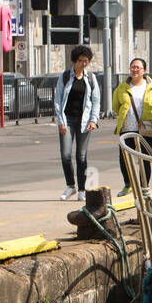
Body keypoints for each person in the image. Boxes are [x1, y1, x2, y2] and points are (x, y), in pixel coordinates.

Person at [54, 44, 101, 201]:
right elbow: (58, 100)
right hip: (67, 120)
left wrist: (93, 120)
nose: (83, 63)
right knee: (66, 155)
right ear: (75, 60)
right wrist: (60, 121)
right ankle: (70, 186)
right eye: (80, 60)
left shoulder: (90, 78)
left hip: (84, 121)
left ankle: (82, 189)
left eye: (86, 60)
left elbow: (96, 101)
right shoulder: (66, 76)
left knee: (81, 156)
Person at [112, 56, 152, 196]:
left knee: (144, 158)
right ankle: (128, 184)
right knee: (124, 158)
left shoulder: (151, 87)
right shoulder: (122, 87)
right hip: (127, 127)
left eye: (138, 67)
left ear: (144, 70)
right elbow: (116, 106)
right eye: (132, 67)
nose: (134, 70)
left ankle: (144, 186)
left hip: (145, 129)